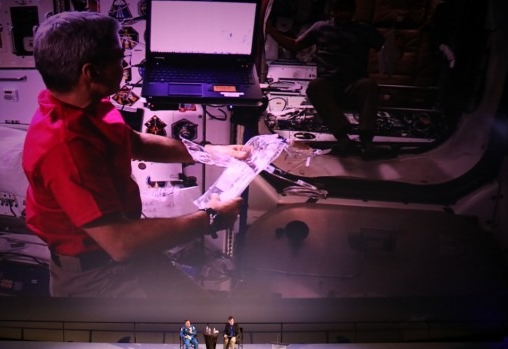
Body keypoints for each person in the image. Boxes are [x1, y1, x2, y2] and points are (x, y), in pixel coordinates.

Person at [22, 11, 249, 298]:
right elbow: (121, 243)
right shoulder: (66, 147)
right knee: (193, 332)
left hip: (127, 256)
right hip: (98, 276)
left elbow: (134, 141)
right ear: (92, 72)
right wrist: (211, 219)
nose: (125, 64)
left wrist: (210, 153)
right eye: (118, 57)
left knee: (205, 316)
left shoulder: (85, 105)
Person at [266, 0, 385, 158]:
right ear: (332, 11)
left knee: (369, 85)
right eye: (339, 10)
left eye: (346, 11)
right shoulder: (321, 27)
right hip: (329, 86)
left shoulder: (363, 30)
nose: (343, 14)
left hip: (354, 85)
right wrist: (270, 30)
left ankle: (367, 141)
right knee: (315, 86)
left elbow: (385, 46)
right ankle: (343, 138)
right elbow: (295, 45)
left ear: (352, 12)